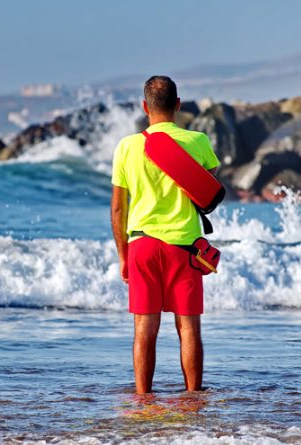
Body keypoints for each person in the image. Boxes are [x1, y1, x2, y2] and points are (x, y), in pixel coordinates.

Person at [110, 75, 220, 394]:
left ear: (145, 107)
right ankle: (193, 397)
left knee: (145, 328)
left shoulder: (127, 146)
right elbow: (208, 187)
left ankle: (143, 399)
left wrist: (123, 255)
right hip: (184, 247)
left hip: (142, 246)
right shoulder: (197, 141)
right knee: (188, 327)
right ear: (178, 105)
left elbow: (118, 209)